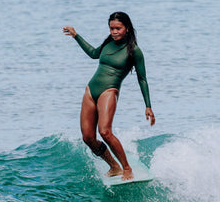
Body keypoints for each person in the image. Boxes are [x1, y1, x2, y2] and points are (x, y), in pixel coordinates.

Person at [62, 11, 155, 181]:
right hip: (91, 90)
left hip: (109, 91)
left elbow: (142, 79)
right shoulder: (108, 43)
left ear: (127, 28)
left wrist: (148, 106)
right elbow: (93, 53)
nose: (114, 32)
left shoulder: (134, 51)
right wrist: (76, 36)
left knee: (105, 131)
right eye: (111, 28)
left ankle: (127, 169)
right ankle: (114, 166)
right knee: (88, 137)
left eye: (118, 28)